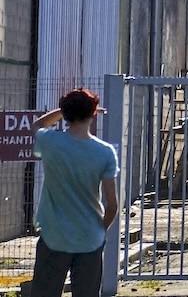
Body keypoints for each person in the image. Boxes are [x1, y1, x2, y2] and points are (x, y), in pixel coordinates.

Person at [30, 88, 119, 297]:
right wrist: (100, 230)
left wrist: (63, 110)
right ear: (94, 113)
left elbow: (37, 125)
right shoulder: (105, 152)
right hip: (89, 236)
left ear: (66, 113)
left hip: (53, 234)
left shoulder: (50, 142)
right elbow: (112, 205)